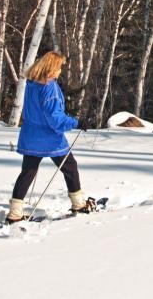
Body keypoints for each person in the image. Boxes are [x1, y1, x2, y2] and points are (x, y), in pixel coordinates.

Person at [7, 51, 94, 223]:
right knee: (70, 167)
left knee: (28, 171)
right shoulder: (50, 88)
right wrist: (77, 123)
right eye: (60, 67)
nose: (61, 70)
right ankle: (78, 203)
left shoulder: (32, 84)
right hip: (49, 139)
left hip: (31, 135)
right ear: (52, 68)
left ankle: (15, 212)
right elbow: (55, 120)